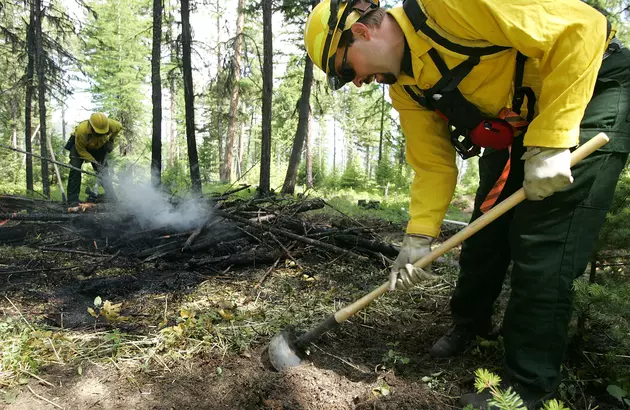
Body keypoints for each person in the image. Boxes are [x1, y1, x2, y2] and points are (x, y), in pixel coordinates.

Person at [304, 0, 630, 408]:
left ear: (361, 32)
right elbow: (433, 166)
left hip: (588, 88)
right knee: (486, 232)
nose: (355, 82)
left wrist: (552, 139)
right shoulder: (406, 87)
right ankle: (469, 325)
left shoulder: (446, 7)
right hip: (522, 119)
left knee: (544, 243)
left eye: (345, 69)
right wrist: (418, 238)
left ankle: (526, 389)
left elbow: (584, 26)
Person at [65, 112, 122, 205]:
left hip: (98, 146)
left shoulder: (112, 124)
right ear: (91, 127)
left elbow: (119, 127)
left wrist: (111, 140)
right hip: (80, 147)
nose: (100, 134)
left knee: (103, 171)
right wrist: (94, 162)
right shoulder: (81, 130)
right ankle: (73, 200)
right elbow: (81, 150)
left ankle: (111, 198)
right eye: (98, 132)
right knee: (75, 169)